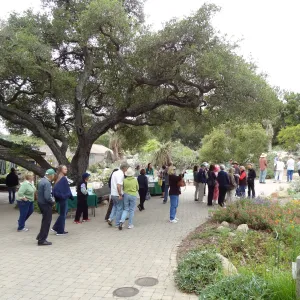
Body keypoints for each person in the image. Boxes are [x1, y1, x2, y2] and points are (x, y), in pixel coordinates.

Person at [36, 169, 56, 246]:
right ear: (51, 175)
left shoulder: (41, 181)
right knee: (46, 222)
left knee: (45, 220)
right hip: (46, 204)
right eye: (53, 175)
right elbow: (47, 196)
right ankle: (42, 240)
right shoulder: (47, 183)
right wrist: (52, 202)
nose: (54, 176)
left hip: (41, 203)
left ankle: (40, 236)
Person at [52, 165, 73, 236]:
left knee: (63, 213)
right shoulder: (63, 178)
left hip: (62, 198)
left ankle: (56, 227)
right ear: (61, 170)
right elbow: (61, 189)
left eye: (66, 168)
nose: (66, 170)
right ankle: (60, 231)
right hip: (63, 198)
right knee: (63, 214)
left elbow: (56, 188)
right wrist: (65, 195)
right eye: (65, 169)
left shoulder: (59, 177)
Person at [107, 162, 129, 227]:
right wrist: (120, 194)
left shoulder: (114, 173)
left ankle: (110, 218)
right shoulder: (121, 174)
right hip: (117, 194)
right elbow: (118, 185)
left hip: (113, 193)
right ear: (124, 168)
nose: (127, 169)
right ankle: (117, 223)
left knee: (115, 207)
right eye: (127, 168)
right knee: (120, 208)